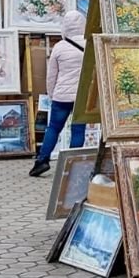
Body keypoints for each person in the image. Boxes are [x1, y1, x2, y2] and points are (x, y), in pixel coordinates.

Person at [29, 10, 86, 176]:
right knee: (78, 130)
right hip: (81, 96)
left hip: (61, 96)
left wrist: (52, 94)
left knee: (53, 128)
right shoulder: (89, 44)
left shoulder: (59, 47)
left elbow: (51, 75)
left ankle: (42, 161)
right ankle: (74, 166)